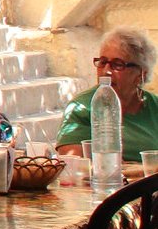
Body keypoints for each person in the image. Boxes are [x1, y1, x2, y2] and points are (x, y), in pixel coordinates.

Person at [56, 26, 158, 161]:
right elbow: (73, 162)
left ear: (141, 74)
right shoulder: (82, 108)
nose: (106, 71)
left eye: (118, 64)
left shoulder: (154, 106)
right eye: (102, 62)